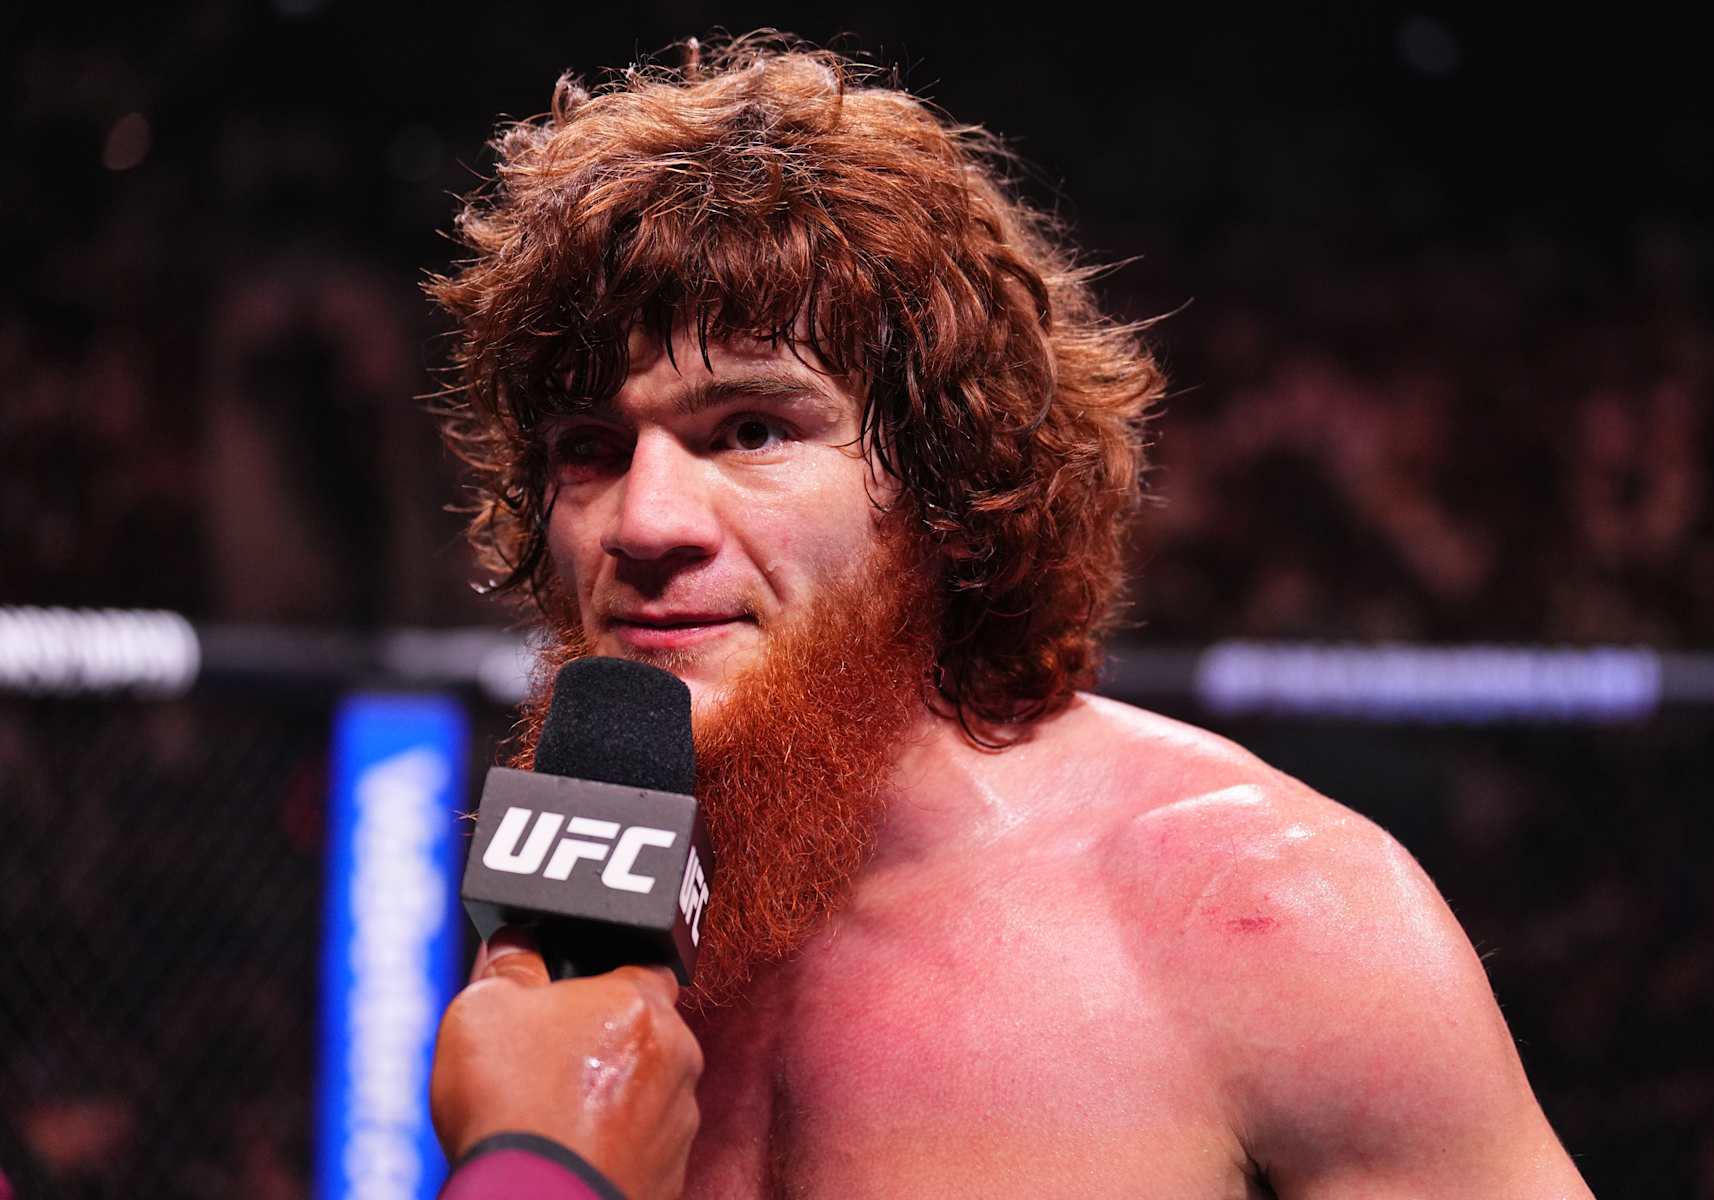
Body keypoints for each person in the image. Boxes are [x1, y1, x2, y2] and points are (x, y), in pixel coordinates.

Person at [425, 34, 1595, 1198]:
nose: (644, 521)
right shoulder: (560, 948)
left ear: (943, 482)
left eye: (753, 431)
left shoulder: (1262, 917)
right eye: (590, 448)